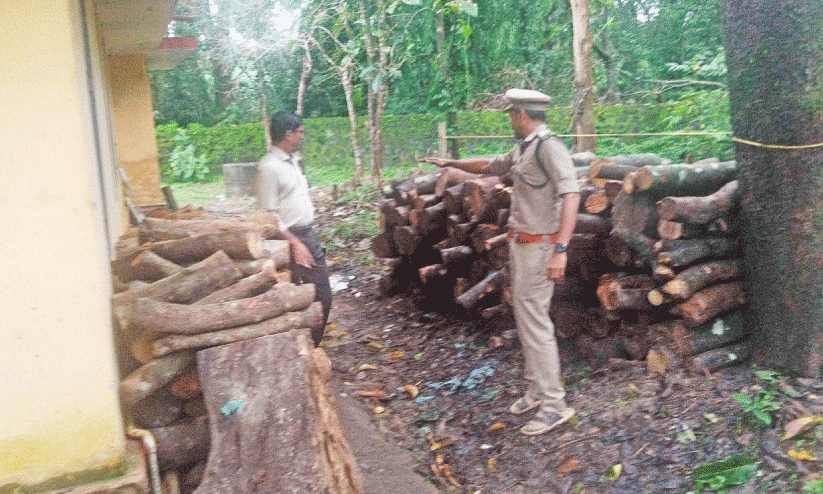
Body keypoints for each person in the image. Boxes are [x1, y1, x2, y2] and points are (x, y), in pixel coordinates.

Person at [420, 89, 581, 436]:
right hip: (523, 246)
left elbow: (572, 195)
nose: (510, 120)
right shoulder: (525, 148)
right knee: (525, 317)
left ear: (522, 114)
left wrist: (561, 249)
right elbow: (489, 165)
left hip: (542, 247)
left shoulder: (549, 147)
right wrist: (450, 163)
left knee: (536, 323)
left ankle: (555, 405)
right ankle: (537, 389)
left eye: (511, 114)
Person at [257, 110, 332, 347]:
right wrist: (295, 244)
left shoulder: (292, 161)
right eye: (300, 132)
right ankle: (306, 350)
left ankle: (309, 348)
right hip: (290, 239)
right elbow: (267, 215)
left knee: (319, 296)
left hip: (307, 234)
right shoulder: (269, 167)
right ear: (288, 134)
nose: (303, 136)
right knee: (316, 296)